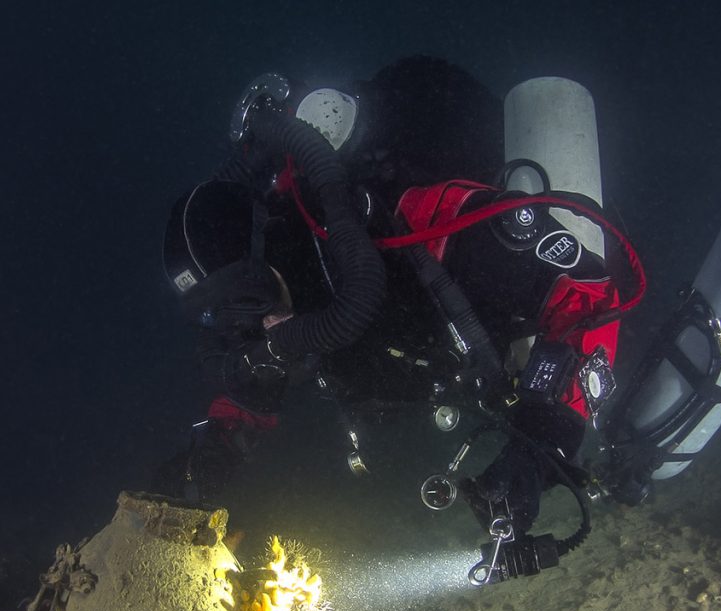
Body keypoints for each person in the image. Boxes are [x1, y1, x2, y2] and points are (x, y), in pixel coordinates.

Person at [157, 57, 640, 570]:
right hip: (468, 384)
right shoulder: (278, 308)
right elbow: (255, 373)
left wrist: (549, 429)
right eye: (228, 317)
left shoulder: (409, 222)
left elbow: (586, 290)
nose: (253, 327)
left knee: (636, 452)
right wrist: (215, 444)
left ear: (271, 250)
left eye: (248, 302)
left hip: (540, 352)